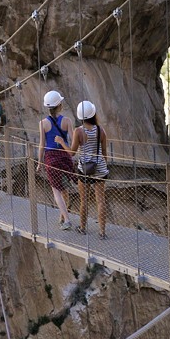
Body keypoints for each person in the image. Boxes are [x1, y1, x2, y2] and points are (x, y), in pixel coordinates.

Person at [64, 100, 109, 238]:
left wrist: (61, 142)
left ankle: (83, 228)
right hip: (99, 167)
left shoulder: (78, 131)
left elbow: (72, 153)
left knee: (84, 200)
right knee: (100, 200)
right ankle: (102, 232)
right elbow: (105, 153)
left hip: (84, 169)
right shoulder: (101, 131)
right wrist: (102, 166)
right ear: (93, 113)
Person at [36, 90, 75, 230]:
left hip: (51, 158)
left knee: (56, 190)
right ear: (59, 105)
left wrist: (40, 162)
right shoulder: (67, 121)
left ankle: (67, 220)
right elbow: (73, 141)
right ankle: (63, 216)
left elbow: (42, 144)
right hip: (65, 158)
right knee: (64, 189)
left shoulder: (42, 123)